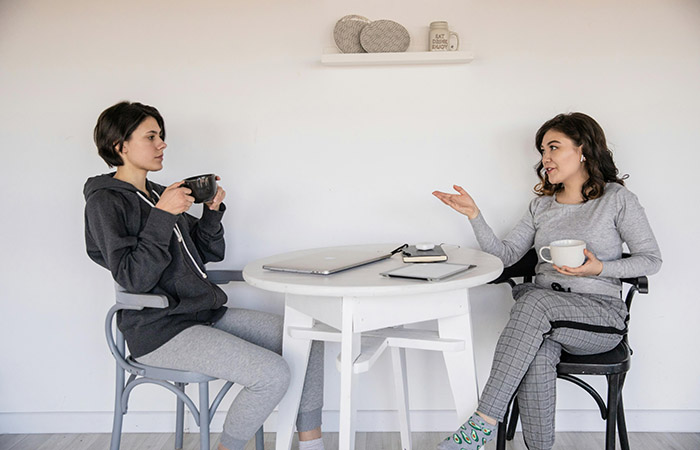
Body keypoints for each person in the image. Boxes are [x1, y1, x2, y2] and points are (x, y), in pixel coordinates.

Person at [84, 101, 325, 450]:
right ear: (120, 146)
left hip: (204, 314)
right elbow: (133, 277)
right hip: (160, 330)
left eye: (161, 136)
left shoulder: (157, 194)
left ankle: (311, 444)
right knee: (271, 374)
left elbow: (207, 253)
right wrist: (164, 215)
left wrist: (211, 213)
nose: (162, 143)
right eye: (151, 136)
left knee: (309, 340)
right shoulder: (106, 202)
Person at [432, 112, 662, 450]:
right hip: (542, 319)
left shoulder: (617, 200)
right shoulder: (541, 206)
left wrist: (599, 270)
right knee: (537, 351)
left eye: (554, 147)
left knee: (533, 301)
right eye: (542, 150)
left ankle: (481, 425)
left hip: (598, 317)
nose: (545, 158)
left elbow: (652, 260)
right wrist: (474, 216)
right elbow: (506, 257)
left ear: (583, 149)